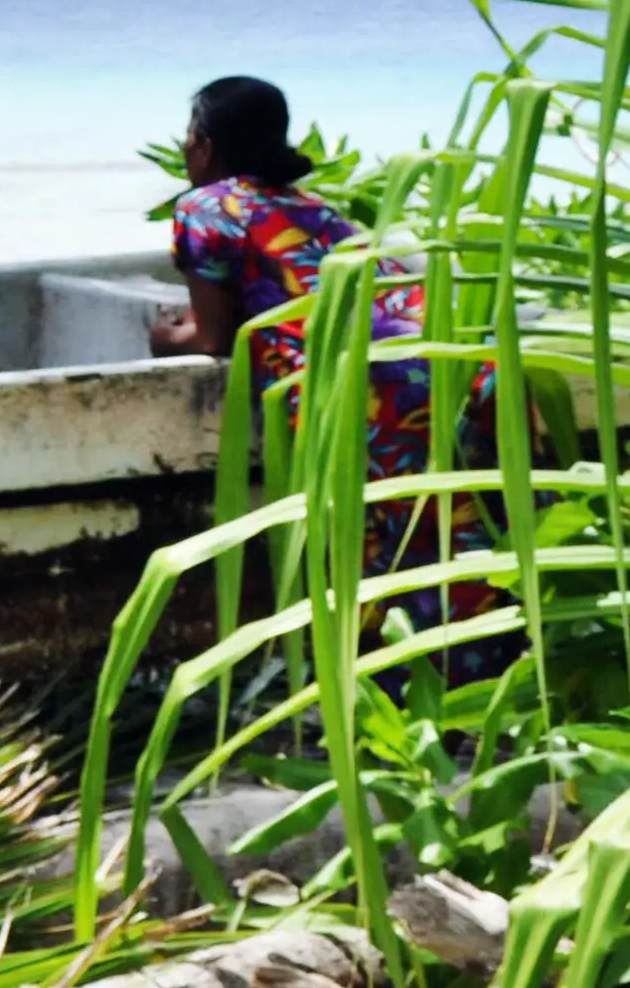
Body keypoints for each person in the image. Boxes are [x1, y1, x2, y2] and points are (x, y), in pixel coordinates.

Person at [155, 76, 499, 634]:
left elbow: (210, 339)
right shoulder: (315, 208)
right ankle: (484, 697)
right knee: (464, 554)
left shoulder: (205, 207)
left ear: (205, 144)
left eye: (190, 135)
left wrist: (165, 337)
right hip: (457, 370)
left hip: (370, 395)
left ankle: (384, 701)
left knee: (373, 567)